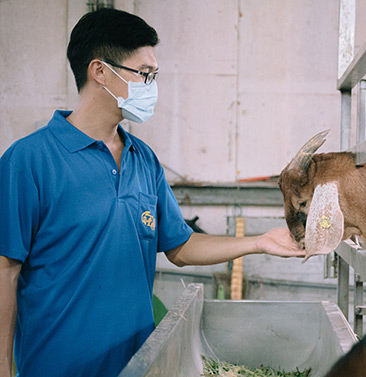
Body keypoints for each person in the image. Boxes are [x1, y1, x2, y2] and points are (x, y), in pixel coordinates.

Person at [0, 8, 304, 377]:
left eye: (153, 76)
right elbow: (6, 271)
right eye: (144, 74)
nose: (151, 85)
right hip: (56, 367)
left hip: (137, 365)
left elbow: (179, 246)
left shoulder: (143, 159)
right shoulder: (29, 160)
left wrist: (260, 242)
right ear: (100, 72)